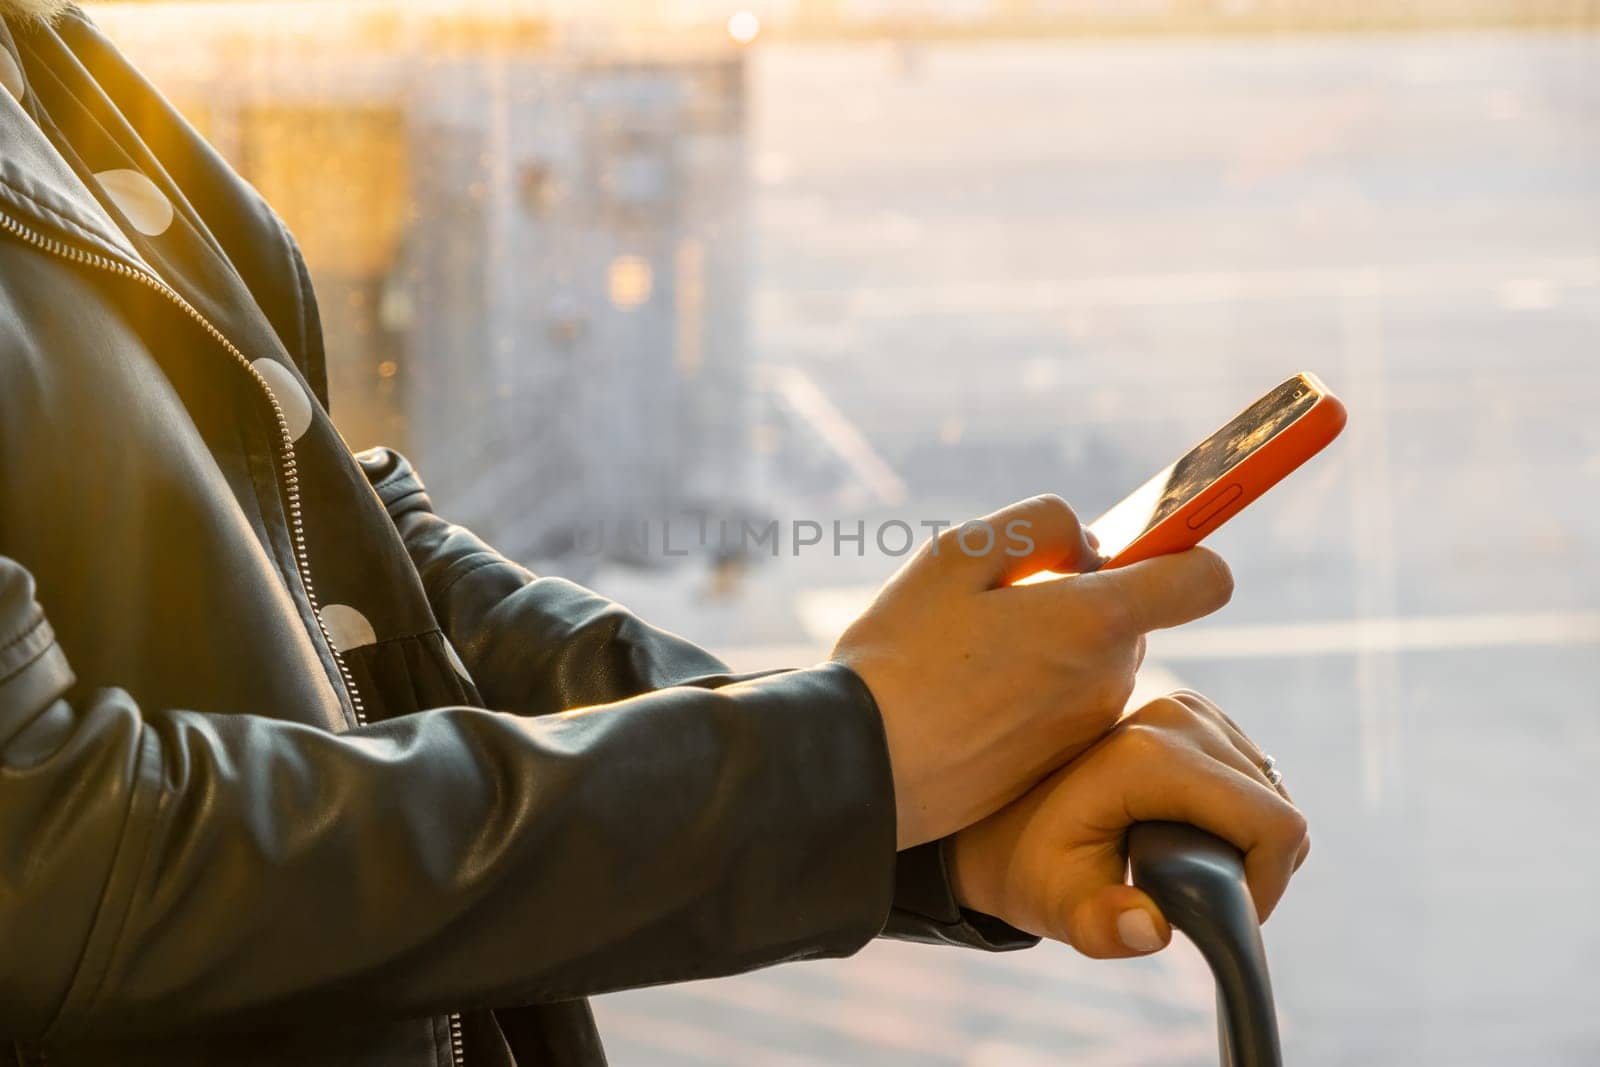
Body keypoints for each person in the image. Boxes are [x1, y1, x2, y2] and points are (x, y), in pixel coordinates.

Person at [0, 3, 1309, 1065]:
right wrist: (849, 756)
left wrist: (923, 801)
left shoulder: (47, 57)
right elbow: (50, 868)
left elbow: (354, 557)